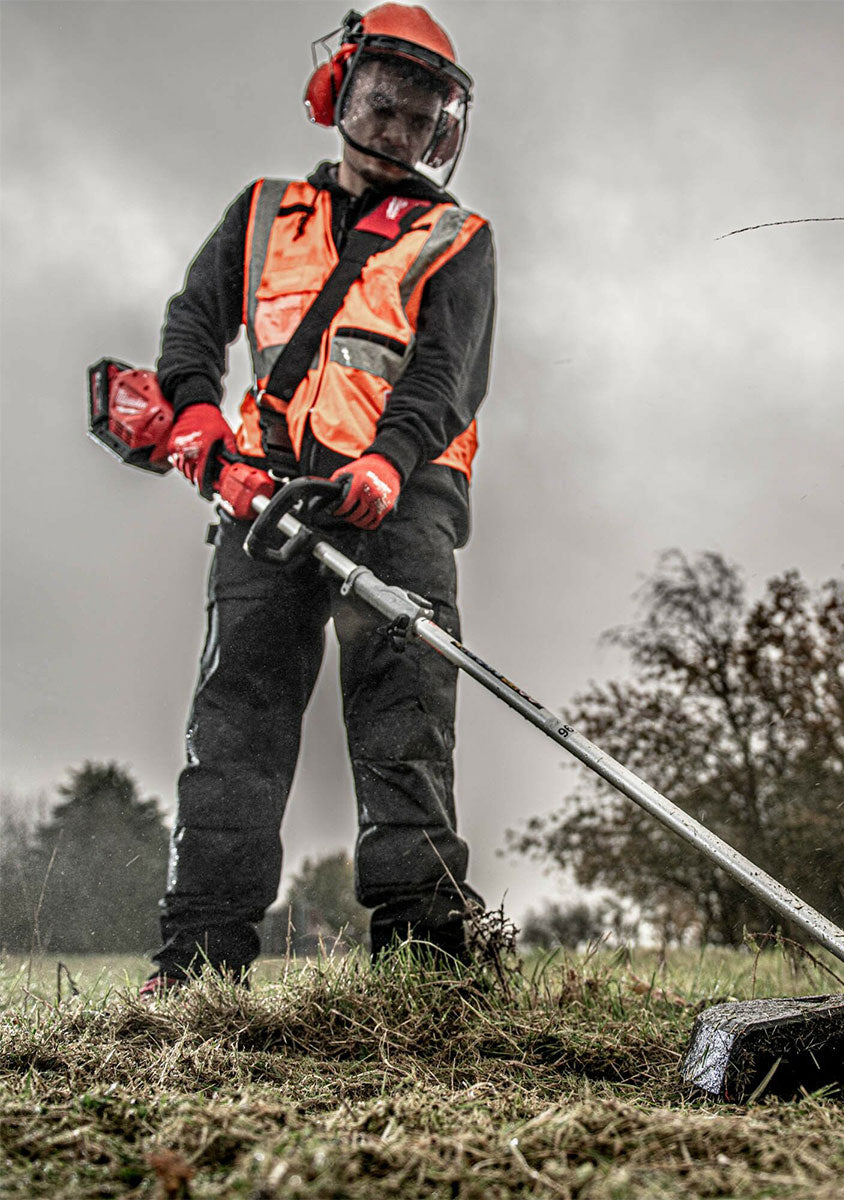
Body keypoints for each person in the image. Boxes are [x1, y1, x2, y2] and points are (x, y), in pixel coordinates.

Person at [141, 4, 495, 994]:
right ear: (342, 89)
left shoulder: (456, 238)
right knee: (233, 733)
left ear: (443, 127)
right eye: (386, 103)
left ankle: (425, 968)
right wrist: (199, 423)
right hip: (263, 510)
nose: (401, 126)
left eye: (422, 114)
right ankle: (199, 967)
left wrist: (387, 462)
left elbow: (445, 376)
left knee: (406, 730)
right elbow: (191, 326)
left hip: (401, 507)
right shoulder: (258, 216)